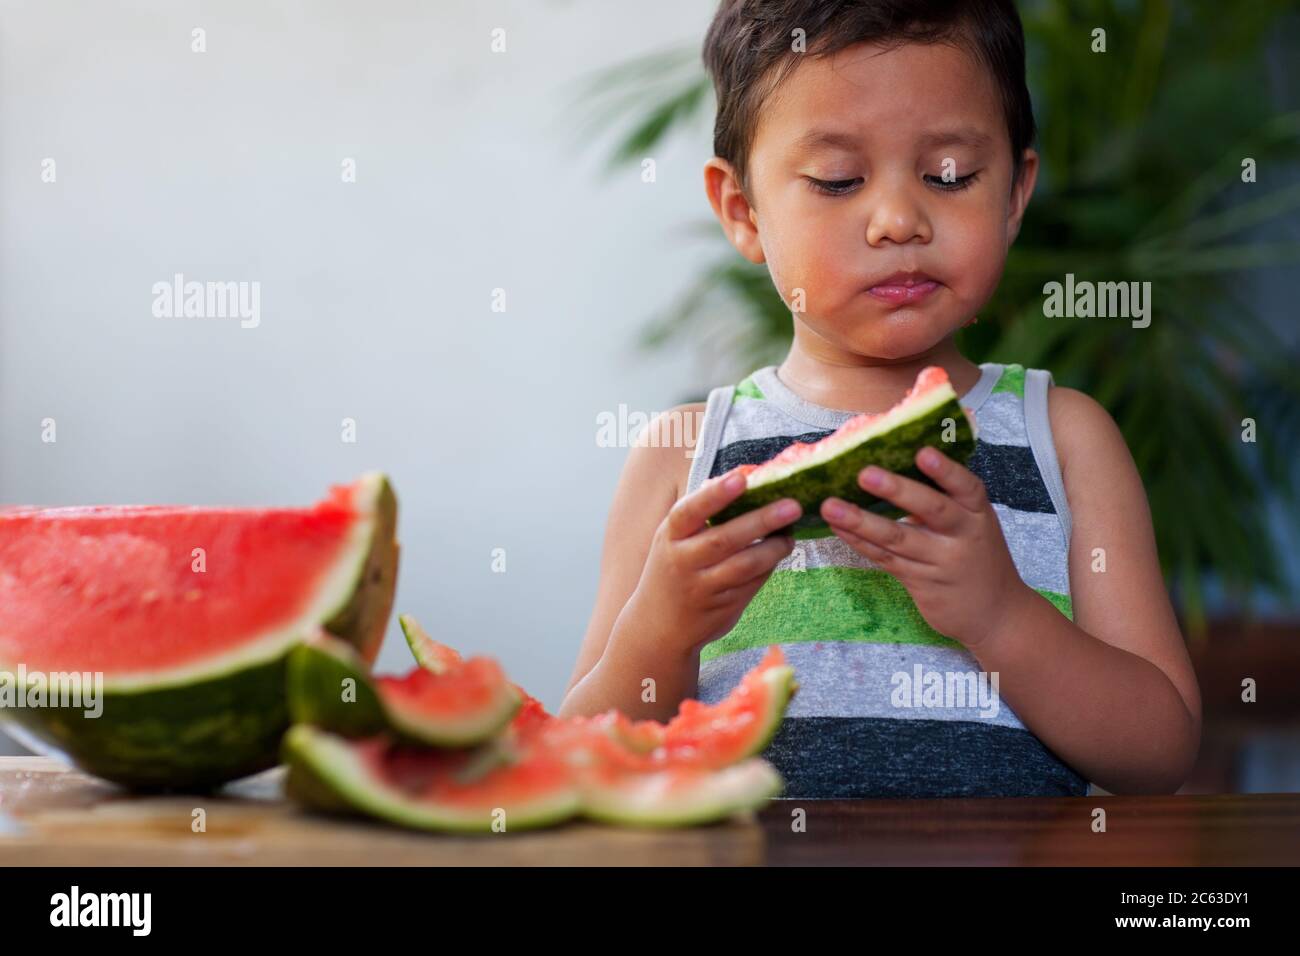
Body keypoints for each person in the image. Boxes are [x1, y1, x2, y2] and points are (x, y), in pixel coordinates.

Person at [559, 0, 1201, 799]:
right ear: (743, 211)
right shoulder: (682, 456)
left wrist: (1002, 615)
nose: (899, 219)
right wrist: (658, 631)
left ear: (1014, 193)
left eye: (950, 176)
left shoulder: (1065, 439)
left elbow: (1161, 750)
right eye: (837, 180)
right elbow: (576, 757)